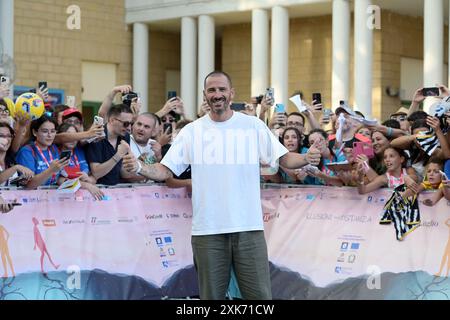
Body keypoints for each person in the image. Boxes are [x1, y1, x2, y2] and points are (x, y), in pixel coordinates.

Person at [123, 71, 321, 300]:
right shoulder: (191, 132)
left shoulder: (252, 126)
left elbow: (285, 158)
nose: (217, 95)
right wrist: (139, 167)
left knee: (260, 299)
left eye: (222, 90)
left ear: (231, 93)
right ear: (204, 95)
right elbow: (165, 170)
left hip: (248, 229)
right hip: (208, 231)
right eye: (212, 90)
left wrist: (307, 158)